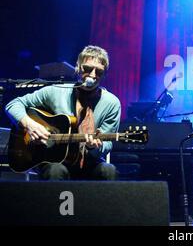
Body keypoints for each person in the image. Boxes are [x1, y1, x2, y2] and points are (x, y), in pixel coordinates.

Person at [5, 45, 121, 180]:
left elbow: (107, 142)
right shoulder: (55, 91)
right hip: (53, 160)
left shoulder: (112, 103)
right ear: (78, 67)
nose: (93, 75)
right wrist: (29, 124)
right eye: (87, 69)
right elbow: (13, 104)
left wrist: (94, 146)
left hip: (89, 161)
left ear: (105, 74)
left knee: (108, 171)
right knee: (55, 171)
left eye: (99, 72)